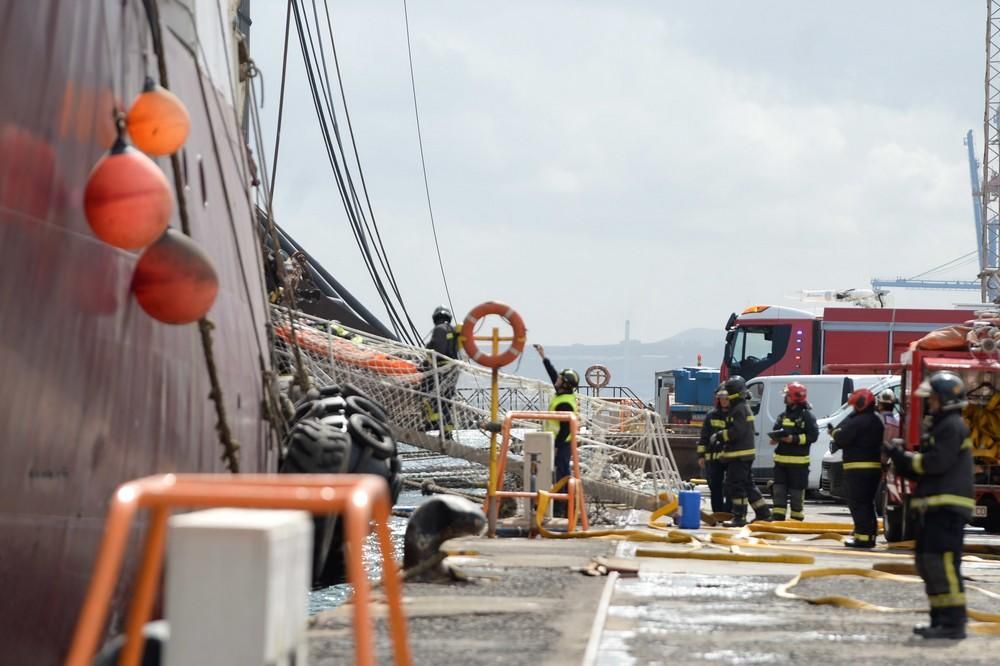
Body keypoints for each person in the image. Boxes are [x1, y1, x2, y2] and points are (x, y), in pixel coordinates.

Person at [884, 371, 974, 640]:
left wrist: (907, 460)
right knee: (928, 564)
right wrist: (901, 459)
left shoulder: (952, 426)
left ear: (945, 400)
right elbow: (927, 468)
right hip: (933, 508)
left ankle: (953, 623)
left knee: (943, 564)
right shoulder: (941, 425)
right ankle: (940, 620)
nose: (930, 404)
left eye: (933, 399)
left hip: (947, 509)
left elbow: (936, 463)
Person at [830, 388, 884, 548]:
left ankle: (863, 538)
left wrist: (833, 433)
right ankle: (868, 535)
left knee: (858, 503)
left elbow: (842, 438)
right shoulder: (875, 419)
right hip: (872, 468)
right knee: (867, 503)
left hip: (858, 469)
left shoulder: (858, 421)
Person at [533, 344, 580, 518]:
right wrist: (543, 357)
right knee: (556, 473)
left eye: (561, 379)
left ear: (565, 384)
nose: (557, 380)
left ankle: (564, 508)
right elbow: (553, 375)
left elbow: (565, 428)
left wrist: (557, 446)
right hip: (554, 442)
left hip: (561, 444)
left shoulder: (564, 402)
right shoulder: (562, 394)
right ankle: (558, 506)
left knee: (562, 475)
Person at [718, 375, 771, 526]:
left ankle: (739, 517)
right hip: (743, 455)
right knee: (748, 485)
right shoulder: (741, 407)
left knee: (737, 486)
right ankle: (763, 513)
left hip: (739, 456)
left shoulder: (738, 409)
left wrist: (720, 435)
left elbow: (737, 432)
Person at [768, 382, 819, 521]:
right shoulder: (783, 416)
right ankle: (778, 516)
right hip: (780, 462)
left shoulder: (807, 416)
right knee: (779, 490)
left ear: (795, 397)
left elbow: (813, 436)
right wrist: (775, 438)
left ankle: (796, 518)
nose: (785, 397)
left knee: (797, 492)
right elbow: (776, 429)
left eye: (787, 395)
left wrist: (794, 439)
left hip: (799, 463)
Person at [422, 306, 460, 439]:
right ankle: (447, 432)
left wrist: (425, 365)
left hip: (441, 370)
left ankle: (431, 423)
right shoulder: (453, 331)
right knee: (445, 401)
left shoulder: (439, 329)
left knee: (427, 394)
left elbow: (438, 351)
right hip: (453, 371)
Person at [697, 384, 731, 514]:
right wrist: (701, 456)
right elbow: (704, 437)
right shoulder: (711, 415)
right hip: (713, 459)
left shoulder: (735, 414)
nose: (724, 401)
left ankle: (728, 513)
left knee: (730, 487)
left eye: (726, 398)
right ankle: (718, 513)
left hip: (730, 458)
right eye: (721, 398)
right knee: (715, 486)